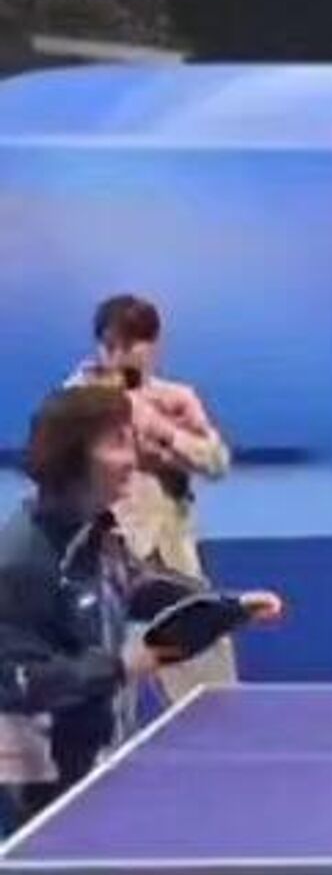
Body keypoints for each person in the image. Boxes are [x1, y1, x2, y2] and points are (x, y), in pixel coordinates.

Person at [0, 386, 283, 875]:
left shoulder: (99, 531)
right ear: (74, 454)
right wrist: (124, 665)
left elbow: (139, 585)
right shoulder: (22, 559)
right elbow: (16, 682)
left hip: (95, 758)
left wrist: (225, 607)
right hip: (39, 774)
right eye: (116, 443)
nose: (133, 459)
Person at [69, 295, 235, 700]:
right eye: (110, 346)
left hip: (173, 558)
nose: (118, 356)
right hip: (107, 564)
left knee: (212, 692)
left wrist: (167, 434)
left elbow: (216, 462)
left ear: (153, 346)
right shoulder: (76, 400)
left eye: (130, 345)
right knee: (103, 700)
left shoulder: (176, 400)